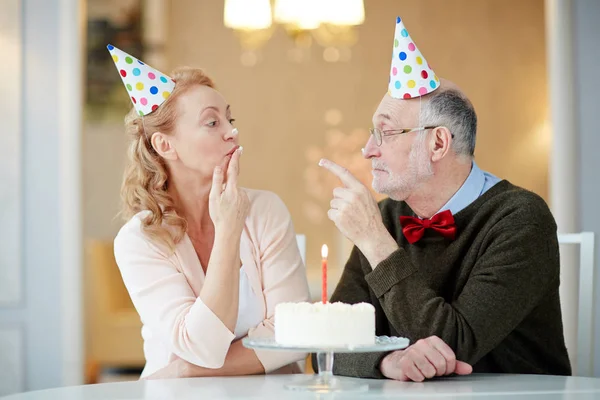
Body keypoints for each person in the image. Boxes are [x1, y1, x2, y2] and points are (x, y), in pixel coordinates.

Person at [317, 17, 571, 382]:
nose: (369, 149)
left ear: (438, 143)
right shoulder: (387, 217)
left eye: (385, 132)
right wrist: (386, 362)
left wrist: (375, 241)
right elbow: (324, 345)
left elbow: (452, 346)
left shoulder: (521, 218)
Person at [107, 45, 310, 379]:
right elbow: (202, 345)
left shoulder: (265, 210)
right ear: (165, 146)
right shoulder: (139, 240)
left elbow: (295, 334)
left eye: (229, 119)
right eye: (212, 122)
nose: (231, 131)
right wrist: (228, 232)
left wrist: (186, 369)